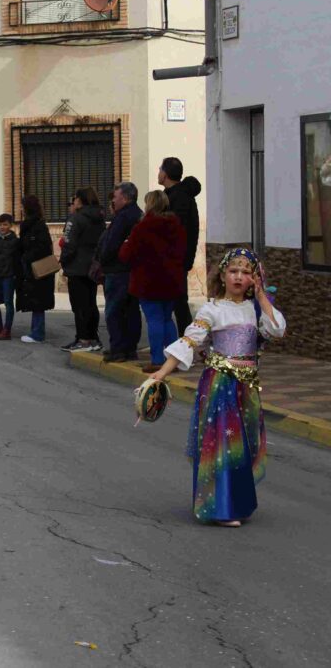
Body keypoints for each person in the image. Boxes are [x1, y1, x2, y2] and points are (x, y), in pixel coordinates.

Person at [150, 248, 285, 527]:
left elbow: (276, 330)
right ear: (222, 275)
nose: (238, 277)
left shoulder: (255, 308)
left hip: (246, 386)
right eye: (233, 271)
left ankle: (237, 503)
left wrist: (262, 296)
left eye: (246, 273)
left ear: (254, 279)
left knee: (245, 443)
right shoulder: (212, 309)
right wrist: (161, 374)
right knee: (225, 443)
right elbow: (190, 342)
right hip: (220, 385)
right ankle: (221, 508)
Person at [119, 190, 186, 373]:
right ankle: (174, 359)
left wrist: (125, 245)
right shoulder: (176, 225)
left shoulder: (143, 227)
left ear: (150, 204)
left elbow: (127, 254)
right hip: (172, 280)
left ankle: (157, 359)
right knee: (167, 319)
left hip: (149, 280)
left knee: (154, 319)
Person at [99, 182, 143, 362]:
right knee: (130, 311)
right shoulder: (137, 214)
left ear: (124, 198)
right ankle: (129, 348)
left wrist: (103, 259)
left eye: (115, 197)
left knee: (114, 311)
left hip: (118, 271)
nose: (113, 201)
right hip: (130, 270)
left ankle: (118, 349)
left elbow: (112, 243)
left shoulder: (123, 217)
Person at [158, 157, 202, 335]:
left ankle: (187, 343)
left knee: (178, 304)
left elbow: (178, 231)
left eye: (160, 169)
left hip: (175, 259)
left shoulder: (179, 198)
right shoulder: (174, 196)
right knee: (174, 303)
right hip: (174, 259)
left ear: (166, 174)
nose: (158, 173)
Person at [59, 187, 105, 352]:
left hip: (76, 267)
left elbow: (69, 244)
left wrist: (62, 261)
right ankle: (93, 338)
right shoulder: (99, 218)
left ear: (80, 200)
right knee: (91, 303)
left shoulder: (75, 219)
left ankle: (83, 339)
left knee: (79, 305)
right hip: (92, 266)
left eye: (75, 198)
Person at [16, 195, 55, 343]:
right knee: (35, 299)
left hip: (37, 268)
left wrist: (27, 257)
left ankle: (37, 333)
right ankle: (35, 331)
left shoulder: (38, 226)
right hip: (31, 268)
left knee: (38, 300)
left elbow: (42, 248)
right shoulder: (30, 225)